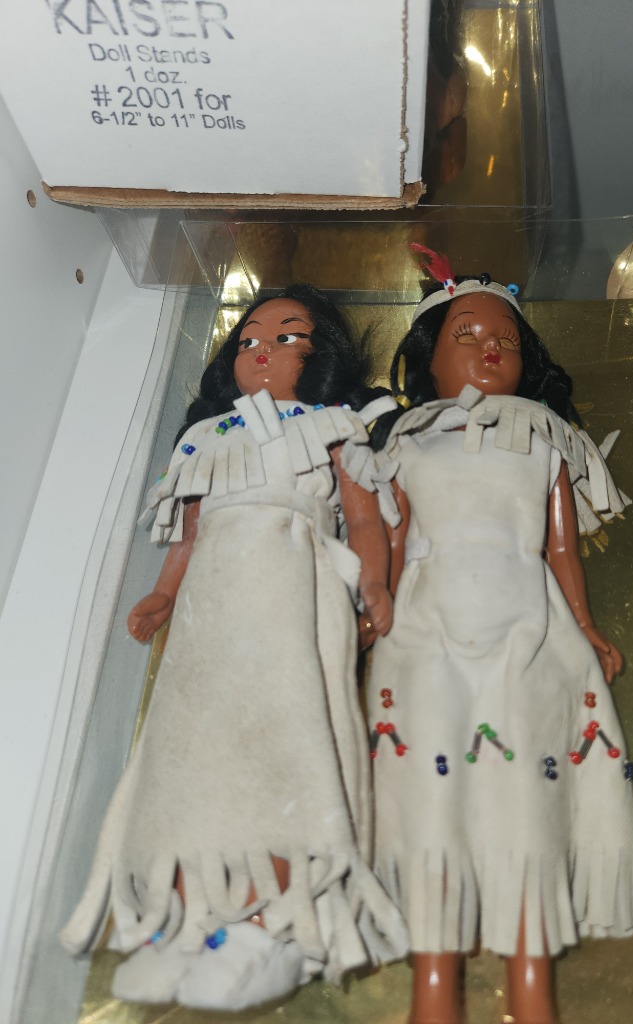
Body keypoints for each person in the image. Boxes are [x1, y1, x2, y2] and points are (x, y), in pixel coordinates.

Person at [61, 284, 406, 1011]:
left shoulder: (333, 426)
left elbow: (363, 520)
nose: (261, 351)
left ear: (322, 356)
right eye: (248, 340)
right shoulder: (205, 438)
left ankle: (269, 925)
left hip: (292, 587)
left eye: (286, 337)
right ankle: (189, 920)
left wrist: (374, 581)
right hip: (211, 606)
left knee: (282, 746)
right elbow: (188, 536)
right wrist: (164, 594)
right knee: (192, 754)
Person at [368, 248, 633, 1024]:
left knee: (525, 798)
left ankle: (532, 989)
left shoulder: (544, 438)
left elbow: (561, 548)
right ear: (428, 359)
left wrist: (586, 624)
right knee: (428, 796)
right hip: (426, 628)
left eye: (505, 337)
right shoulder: (406, 440)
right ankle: (433, 990)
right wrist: (374, 612)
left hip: (527, 624)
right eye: (467, 334)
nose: (490, 347)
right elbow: (393, 541)